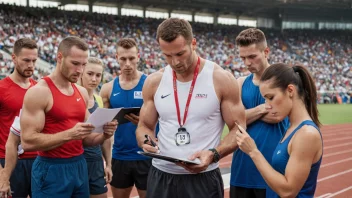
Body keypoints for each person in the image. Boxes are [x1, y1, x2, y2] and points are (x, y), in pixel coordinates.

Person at [135, 18, 246, 198]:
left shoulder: (221, 79)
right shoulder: (154, 81)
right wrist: (146, 140)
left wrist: (214, 154)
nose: (175, 62)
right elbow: (144, 126)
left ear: (193, 43)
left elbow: (238, 129)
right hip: (161, 175)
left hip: (203, 178)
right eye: (167, 55)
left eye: (180, 53)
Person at [20, 36, 118, 198]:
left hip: (79, 164)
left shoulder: (81, 92)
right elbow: (28, 141)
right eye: (75, 63)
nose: (80, 70)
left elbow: (87, 139)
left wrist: (105, 134)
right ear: (60, 57)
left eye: (83, 64)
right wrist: (69, 134)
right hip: (51, 167)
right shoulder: (39, 92)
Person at [236, 63, 323, 198]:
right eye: (265, 99)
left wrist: (253, 151)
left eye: (271, 98)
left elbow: (288, 191)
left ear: (290, 91)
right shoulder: (291, 128)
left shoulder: (306, 134)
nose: (267, 106)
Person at [230, 28, 289, 198]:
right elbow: (234, 121)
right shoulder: (240, 83)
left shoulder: (283, 81)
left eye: (252, 56)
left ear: (266, 52)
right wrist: (262, 108)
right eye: (243, 58)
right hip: (241, 169)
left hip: (272, 171)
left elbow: (276, 115)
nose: (247, 63)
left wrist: (246, 115)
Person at [100, 38, 152, 198]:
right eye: (123, 59)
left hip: (147, 155)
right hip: (120, 156)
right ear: (116, 58)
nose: (128, 63)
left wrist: (145, 121)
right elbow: (104, 130)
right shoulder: (108, 88)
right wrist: (107, 162)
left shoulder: (150, 83)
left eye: (131, 58)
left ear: (138, 56)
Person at [0, 38, 38, 198]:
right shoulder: (2, 89)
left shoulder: (39, 89)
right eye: (26, 60)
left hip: (39, 160)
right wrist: (2, 172)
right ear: (14, 58)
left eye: (34, 61)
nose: (31, 65)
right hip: (8, 161)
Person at [79, 57, 112, 198]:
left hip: (96, 161)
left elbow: (105, 137)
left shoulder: (99, 100)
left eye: (98, 75)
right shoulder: (72, 97)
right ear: (81, 73)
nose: (94, 79)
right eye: (90, 74)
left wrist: (108, 164)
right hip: (76, 161)